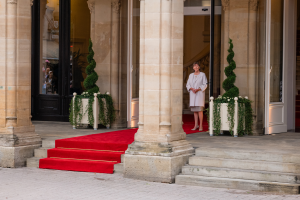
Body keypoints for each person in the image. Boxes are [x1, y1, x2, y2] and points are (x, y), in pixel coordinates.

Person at [186, 62, 208, 131]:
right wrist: (192, 89)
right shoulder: (191, 75)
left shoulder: (202, 74)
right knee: (195, 111)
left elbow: (205, 84)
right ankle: (196, 125)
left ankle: (201, 125)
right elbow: (188, 84)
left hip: (199, 94)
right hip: (193, 93)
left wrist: (198, 89)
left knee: (200, 110)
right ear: (193, 68)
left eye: (197, 66)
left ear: (199, 67)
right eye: (194, 66)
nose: (196, 67)